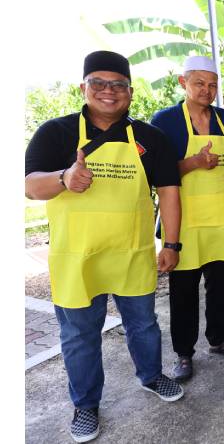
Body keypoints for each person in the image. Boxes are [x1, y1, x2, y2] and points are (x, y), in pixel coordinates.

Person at [24, 51, 184, 443]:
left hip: (132, 253)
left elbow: (169, 192)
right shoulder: (56, 132)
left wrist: (172, 243)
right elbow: (29, 186)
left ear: (130, 92)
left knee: (144, 324)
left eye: (119, 85)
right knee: (79, 335)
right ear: (83, 87)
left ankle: (151, 376)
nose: (109, 91)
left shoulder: (149, 137)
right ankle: (85, 405)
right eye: (99, 83)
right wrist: (65, 177)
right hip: (77, 258)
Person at [150, 56, 224, 384]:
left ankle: (219, 339)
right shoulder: (164, 121)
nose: (207, 91)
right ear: (183, 83)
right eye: (199, 84)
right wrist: (192, 162)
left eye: (213, 85)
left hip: (220, 217)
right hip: (185, 222)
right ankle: (183, 353)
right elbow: (155, 175)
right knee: (184, 291)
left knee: (221, 286)